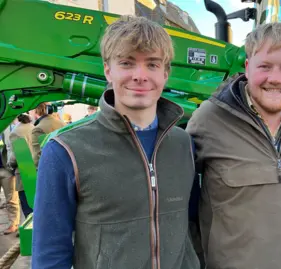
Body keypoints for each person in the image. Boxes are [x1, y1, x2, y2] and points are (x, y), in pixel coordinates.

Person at [32, 15, 199, 269]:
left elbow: (192, 226)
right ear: (108, 70)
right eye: (127, 63)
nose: (140, 75)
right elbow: (50, 253)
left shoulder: (183, 144)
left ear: (166, 73)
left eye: (152, 65)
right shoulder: (66, 151)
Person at [186, 21, 281, 269]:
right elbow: (175, 202)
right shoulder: (209, 119)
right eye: (264, 66)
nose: (275, 79)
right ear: (247, 67)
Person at [8, 113, 35, 218]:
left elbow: (15, 157)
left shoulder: (15, 132)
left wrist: (10, 164)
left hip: (25, 173)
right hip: (38, 170)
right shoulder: (34, 127)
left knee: (29, 212)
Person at [31, 102, 66, 167]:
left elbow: (38, 157)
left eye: (30, 111)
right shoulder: (62, 123)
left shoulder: (38, 129)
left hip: (49, 169)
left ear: (35, 110)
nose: (29, 113)